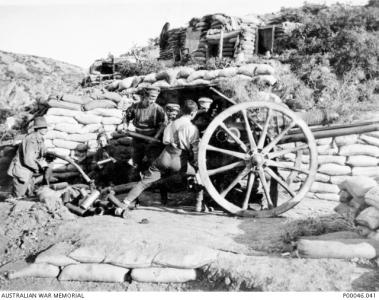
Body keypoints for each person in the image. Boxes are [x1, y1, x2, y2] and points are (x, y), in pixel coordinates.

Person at [122, 99, 199, 208]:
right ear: (193, 113)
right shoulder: (192, 128)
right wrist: (196, 162)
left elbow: (165, 141)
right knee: (198, 173)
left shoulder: (171, 125)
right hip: (179, 161)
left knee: (144, 182)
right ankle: (199, 204)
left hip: (165, 156)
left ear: (181, 111)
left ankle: (124, 203)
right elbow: (195, 149)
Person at [125, 86, 166, 172]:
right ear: (145, 96)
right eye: (151, 97)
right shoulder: (135, 107)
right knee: (136, 160)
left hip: (151, 137)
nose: (153, 100)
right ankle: (135, 175)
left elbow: (163, 125)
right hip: (137, 137)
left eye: (155, 98)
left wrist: (155, 137)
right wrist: (126, 127)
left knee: (152, 161)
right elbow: (126, 119)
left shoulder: (158, 109)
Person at [7, 117, 48, 198]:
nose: (46, 129)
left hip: (28, 172)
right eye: (43, 127)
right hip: (21, 171)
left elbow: (40, 153)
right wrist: (38, 168)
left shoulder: (39, 139)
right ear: (38, 129)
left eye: (46, 127)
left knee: (28, 195)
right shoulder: (31, 139)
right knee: (18, 197)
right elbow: (28, 160)